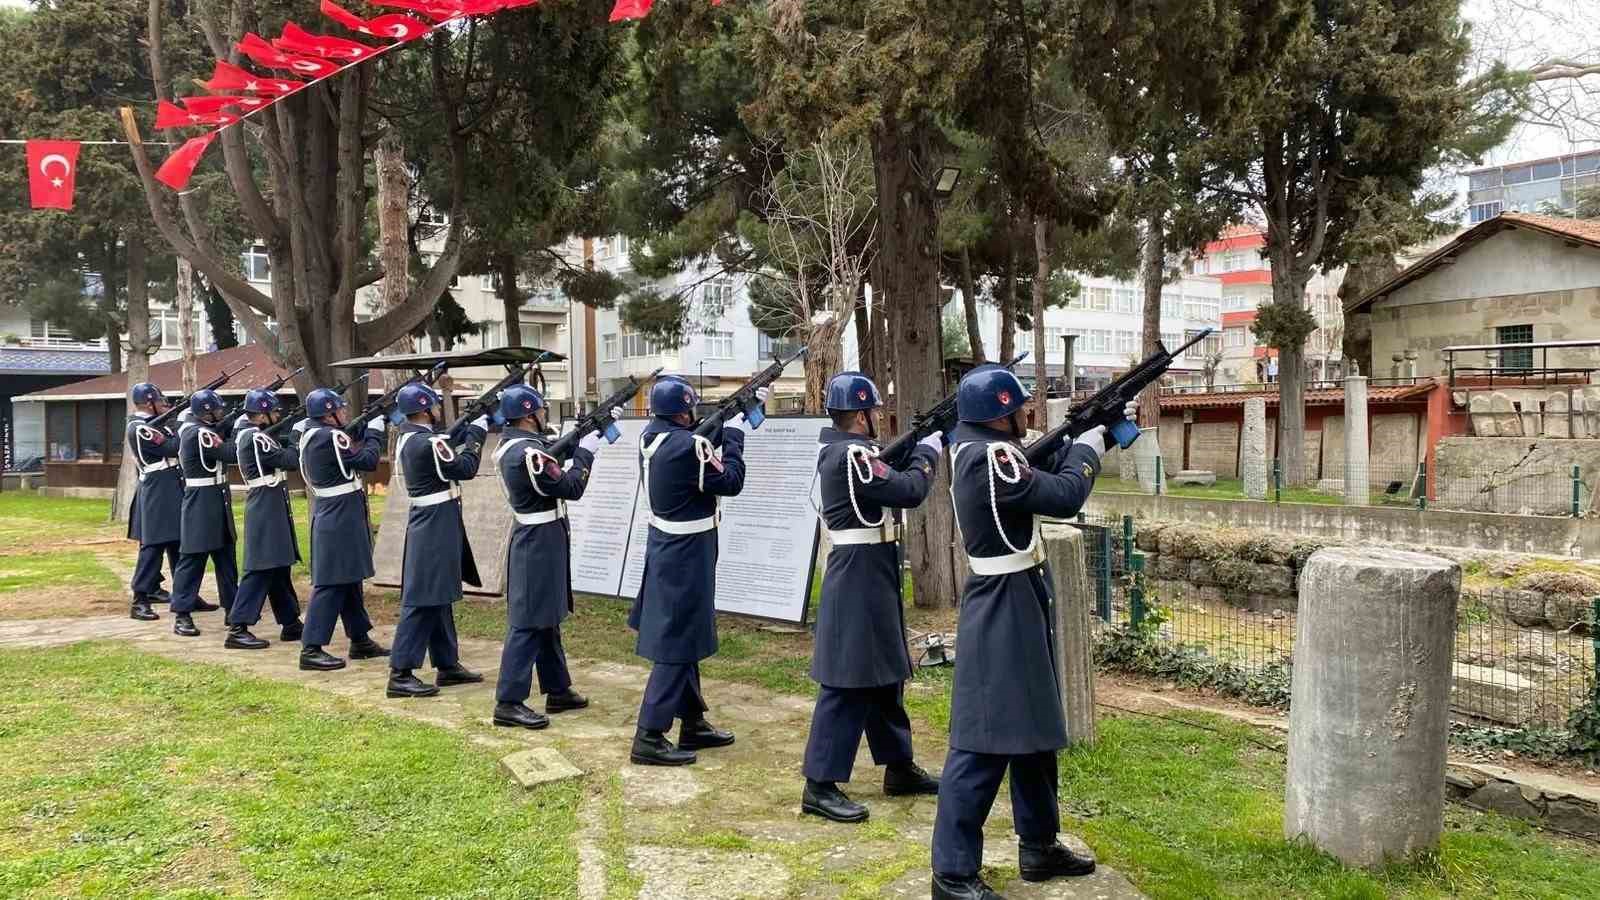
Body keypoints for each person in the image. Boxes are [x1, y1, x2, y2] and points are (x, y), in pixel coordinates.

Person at [928, 364, 1134, 900]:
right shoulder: (992, 457)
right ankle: (951, 873)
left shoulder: (984, 450)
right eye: (1020, 404)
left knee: (1035, 729)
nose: (1027, 412)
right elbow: (1065, 496)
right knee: (985, 738)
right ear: (1001, 411)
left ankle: (1039, 845)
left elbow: (1038, 477)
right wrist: (1089, 445)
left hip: (1019, 593)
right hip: (1003, 603)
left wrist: (1093, 434)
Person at [801, 371, 942, 824]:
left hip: (872, 567)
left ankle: (898, 765)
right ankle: (819, 784)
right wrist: (927, 452)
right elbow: (909, 490)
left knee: (884, 673)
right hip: (859, 572)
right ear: (861, 414)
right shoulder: (853, 454)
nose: (878, 416)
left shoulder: (848, 452)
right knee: (847, 681)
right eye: (874, 410)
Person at [627, 375, 766, 766]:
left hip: (670, 546)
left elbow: (695, 445)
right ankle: (649, 734)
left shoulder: (654, 437)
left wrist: (732, 412)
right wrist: (736, 432)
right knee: (675, 640)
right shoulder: (688, 446)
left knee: (684, 631)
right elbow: (731, 481)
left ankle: (692, 721)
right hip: (687, 552)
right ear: (684, 411)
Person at [490, 385, 618, 729]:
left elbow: (551, 456)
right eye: (541, 410)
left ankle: (558, 688)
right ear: (530, 414)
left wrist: (583, 433)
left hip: (539, 537)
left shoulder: (517, 446)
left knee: (545, 616)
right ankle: (509, 701)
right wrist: (587, 452)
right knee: (529, 621)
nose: (545, 414)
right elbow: (571, 487)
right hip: (538, 540)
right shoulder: (528, 454)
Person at [388, 383, 490, 699]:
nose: (438, 409)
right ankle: (401, 673)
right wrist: (476, 434)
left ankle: (447, 664)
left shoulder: (412, 437)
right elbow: (465, 468)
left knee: (439, 593)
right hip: (434, 523)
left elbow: (443, 444)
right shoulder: (427, 442)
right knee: (423, 599)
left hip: (435, 520)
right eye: (434, 404)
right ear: (425, 408)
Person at [296, 387, 390, 671]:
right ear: (329, 413)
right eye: (340, 409)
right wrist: (374, 432)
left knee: (348, 578)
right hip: (339, 514)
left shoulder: (311, 434)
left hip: (335, 511)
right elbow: (367, 461)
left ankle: (360, 639)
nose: (345, 413)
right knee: (332, 583)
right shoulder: (329, 436)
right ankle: (311, 647)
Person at [225, 389, 306, 650]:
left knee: (278, 565)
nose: (277, 416)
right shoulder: (256, 437)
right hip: (265, 503)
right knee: (261, 567)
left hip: (270, 500)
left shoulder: (253, 435)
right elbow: (290, 460)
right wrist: (296, 436)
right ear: (261, 414)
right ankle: (238, 626)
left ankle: (290, 621)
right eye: (273, 412)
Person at [169, 390, 236, 637]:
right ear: (206, 411)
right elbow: (229, 453)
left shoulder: (203, 429)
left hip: (217, 496)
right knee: (193, 558)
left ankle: (233, 608)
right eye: (218, 409)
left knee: (226, 557)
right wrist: (240, 430)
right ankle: (182, 613)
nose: (222, 412)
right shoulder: (199, 433)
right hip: (202, 500)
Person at [125, 382, 182, 622]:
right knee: (154, 545)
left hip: (169, 486)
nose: (163, 405)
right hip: (158, 488)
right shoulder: (141, 428)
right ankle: (139, 599)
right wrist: (182, 426)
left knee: (179, 544)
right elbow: (171, 447)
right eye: (159, 401)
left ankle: (184, 595)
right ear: (149, 403)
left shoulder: (152, 425)